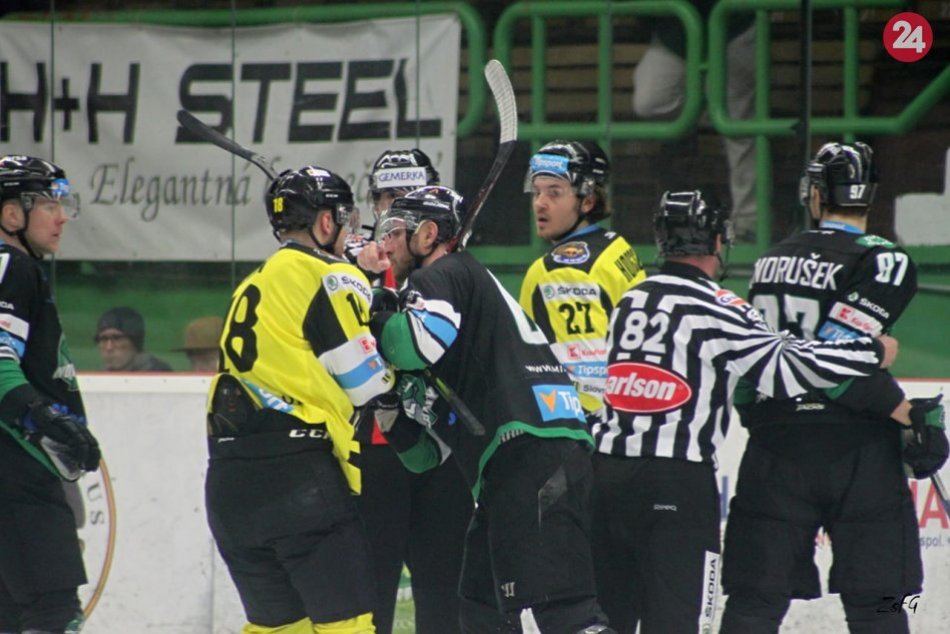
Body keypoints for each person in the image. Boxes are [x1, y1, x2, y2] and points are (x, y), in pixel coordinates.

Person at [589, 189, 899, 634]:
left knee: (606, 620)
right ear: (717, 241)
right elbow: (785, 369)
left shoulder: (631, 300)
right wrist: (869, 352)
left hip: (607, 481)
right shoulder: (721, 306)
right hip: (676, 482)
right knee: (678, 623)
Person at [719, 142, 949, 634]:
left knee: (754, 604)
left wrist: (770, 422)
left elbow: (751, 380)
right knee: (881, 603)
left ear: (816, 194)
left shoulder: (769, 261)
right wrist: (907, 414)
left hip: (774, 450)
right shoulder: (885, 262)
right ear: (870, 196)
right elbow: (838, 363)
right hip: (858, 454)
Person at [368, 186, 615, 634]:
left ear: (427, 236)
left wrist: (377, 323)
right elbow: (424, 457)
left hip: (532, 454)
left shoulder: (442, 273)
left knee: (563, 611)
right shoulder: (454, 291)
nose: (386, 245)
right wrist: (384, 403)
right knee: (481, 606)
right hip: (525, 459)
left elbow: (416, 344)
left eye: (396, 232)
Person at [204, 165, 395, 634]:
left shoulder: (253, 282)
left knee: (277, 630)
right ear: (326, 223)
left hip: (230, 486)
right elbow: (367, 382)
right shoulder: (329, 274)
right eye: (343, 221)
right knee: (345, 627)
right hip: (299, 482)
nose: (349, 231)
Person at [355, 149, 470, 634]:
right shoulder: (350, 263)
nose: (395, 206)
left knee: (445, 593)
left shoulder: (452, 270)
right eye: (387, 197)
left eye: (407, 197)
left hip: (443, 449)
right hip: (375, 451)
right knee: (370, 593)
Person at [0, 155, 101, 634]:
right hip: (16, 472)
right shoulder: (11, 265)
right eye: (48, 204)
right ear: (11, 214)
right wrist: (44, 420)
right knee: (51, 612)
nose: (61, 216)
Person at [519, 140, 646, 419]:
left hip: (587, 430)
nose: (540, 203)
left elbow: (589, 383)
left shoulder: (558, 272)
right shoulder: (616, 245)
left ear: (587, 200)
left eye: (554, 193)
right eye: (537, 192)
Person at [632, 0, 757, 241]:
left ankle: (748, 226)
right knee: (649, 101)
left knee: (739, 126)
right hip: (677, 30)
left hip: (734, 24)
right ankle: (713, 108)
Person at [94, 306, 172, 372]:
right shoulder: (99, 378)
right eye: (103, 339)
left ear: (135, 342)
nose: (109, 347)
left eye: (117, 338)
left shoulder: (158, 375)